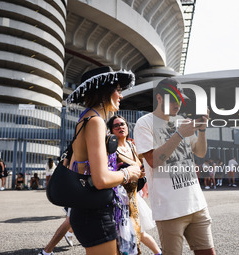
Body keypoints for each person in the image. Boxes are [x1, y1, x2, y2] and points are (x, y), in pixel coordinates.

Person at [134, 78, 215, 255]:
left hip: (197, 204)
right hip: (169, 209)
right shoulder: (144, 123)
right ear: (160, 98)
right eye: (173, 98)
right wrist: (179, 134)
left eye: (180, 99)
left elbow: (200, 152)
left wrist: (202, 130)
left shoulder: (181, 120)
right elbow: (153, 161)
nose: (177, 104)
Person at [66, 66, 142, 254]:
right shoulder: (95, 122)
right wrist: (129, 173)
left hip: (89, 209)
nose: (120, 96)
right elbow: (100, 180)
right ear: (104, 91)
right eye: (117, 90)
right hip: (94, 212)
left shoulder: (87, 119)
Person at [108, 115, 162, 255]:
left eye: (123, 124)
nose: (120, 127)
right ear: (111, 130)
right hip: (118, 201)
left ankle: (158, 253)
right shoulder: (110, 149)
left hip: (134, 197)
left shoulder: (133, 146)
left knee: (138, 232)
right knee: (123, 237)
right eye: (116, 125)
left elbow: (145, 165)